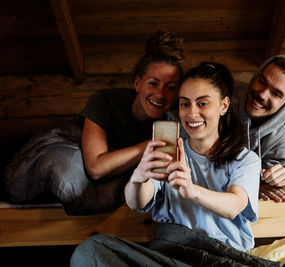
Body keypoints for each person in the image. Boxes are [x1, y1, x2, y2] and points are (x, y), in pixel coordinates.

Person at [70, 62, 267, 266]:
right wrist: (138, 178)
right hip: (172, 256)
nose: (191, 113)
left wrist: (191, 190)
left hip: (221, 259)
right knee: (92, 249)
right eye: (184, 103)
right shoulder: (168, 151)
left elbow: (234, 205)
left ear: (223, 106)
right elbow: (136, 202)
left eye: (202, 103)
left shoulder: (244, 160)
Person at [4, 30, 184, 215]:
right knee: (65, 172)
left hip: (116, 173)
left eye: (170, 88)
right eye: (153, 83)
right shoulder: (104, 101)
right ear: (137, 83)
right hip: (70, 145)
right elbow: (96, 168)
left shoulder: (171, 124)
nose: (161, 94)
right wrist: (148, 147)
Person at [236, 55, 285, 202]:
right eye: (262, 82)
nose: (262, 94)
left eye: (276, 94)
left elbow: (269, 187)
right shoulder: (225, 96)